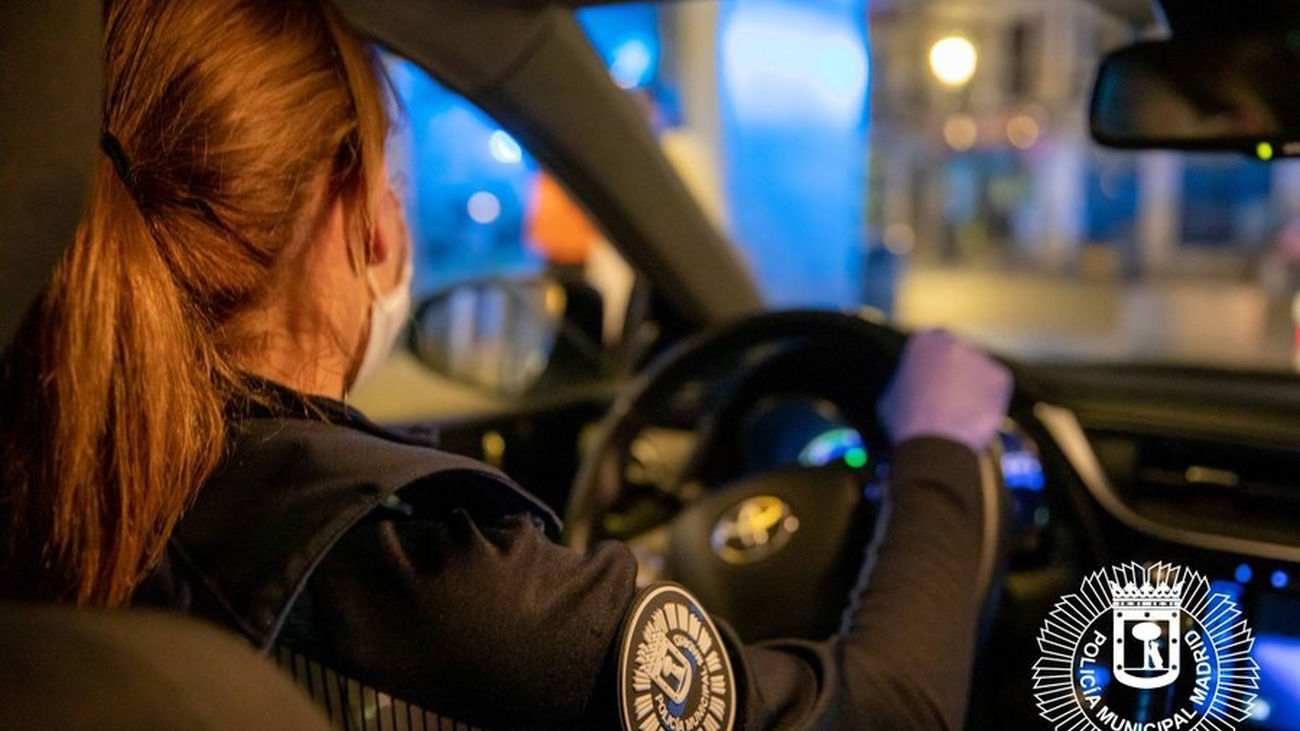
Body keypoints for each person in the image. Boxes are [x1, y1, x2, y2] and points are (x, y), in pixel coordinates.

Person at [0, 1, 1013, 729]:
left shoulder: (48, 470)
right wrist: (939, 446)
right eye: (393, 170)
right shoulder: (404, 564)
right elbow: (892, 708)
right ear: (349, 209)